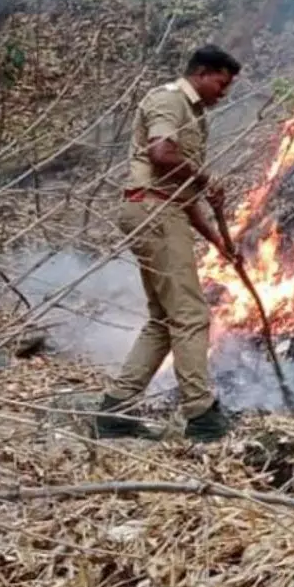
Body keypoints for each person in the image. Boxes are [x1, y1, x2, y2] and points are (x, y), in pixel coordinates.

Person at [95, 44, 243, 442]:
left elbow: (187, 200)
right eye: (221, 83)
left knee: (163, 319)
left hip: (163, 211)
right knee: (191, 315)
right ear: (201, 72)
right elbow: (161, 153)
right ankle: (201, 415)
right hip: (154, 213)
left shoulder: (194, 116)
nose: (223, 93)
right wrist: (203, 177)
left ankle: (115, 410)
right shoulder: (170, 100)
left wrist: (219, 243)